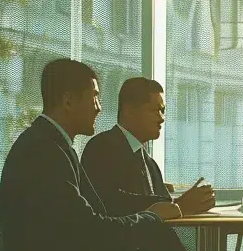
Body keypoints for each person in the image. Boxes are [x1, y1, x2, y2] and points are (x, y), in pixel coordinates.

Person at [0, 58, 243, 251]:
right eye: (95, 98)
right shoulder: (45, 153)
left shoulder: (47, 146)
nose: (100, 108)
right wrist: (153, 215)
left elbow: (85, 222)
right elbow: (92, 230)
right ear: (68, 101)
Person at [82, 77, 216, 218]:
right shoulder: (101, 147)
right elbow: (109, 201)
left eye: (163, 111)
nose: (162, 118)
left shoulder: (150, 163)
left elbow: (165, 208)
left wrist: (192, 203)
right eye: (155, 110)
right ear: (129, 111)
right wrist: (179, 205)